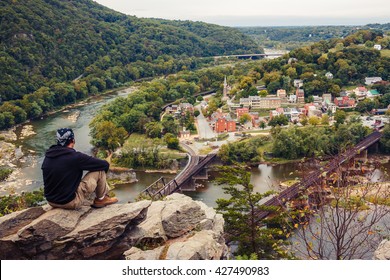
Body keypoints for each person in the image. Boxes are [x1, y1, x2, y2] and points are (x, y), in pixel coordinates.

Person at [41, 128, 118, 209]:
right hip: (70, 202)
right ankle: (101, 199)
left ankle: (102, 197)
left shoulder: (48, 156)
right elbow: (104, 165)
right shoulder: (75, 157)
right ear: (73, 140)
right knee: (100, 171)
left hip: (51, 202)